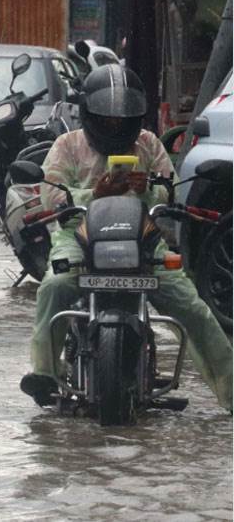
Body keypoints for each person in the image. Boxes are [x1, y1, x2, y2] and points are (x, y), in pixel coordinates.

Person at [20, 64, 232, 412]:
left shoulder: (148, 144)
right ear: (90, 114)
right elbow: (51, 195)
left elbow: (169, 191)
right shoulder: (67, 145)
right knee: (54, 286)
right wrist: (95, 193)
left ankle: (231, 393)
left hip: (144, 238)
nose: (115, 125)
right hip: (80, 236)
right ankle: (44, 373)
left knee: (194, 308)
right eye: (107, 118)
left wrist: (146, 188)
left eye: (122, 119)